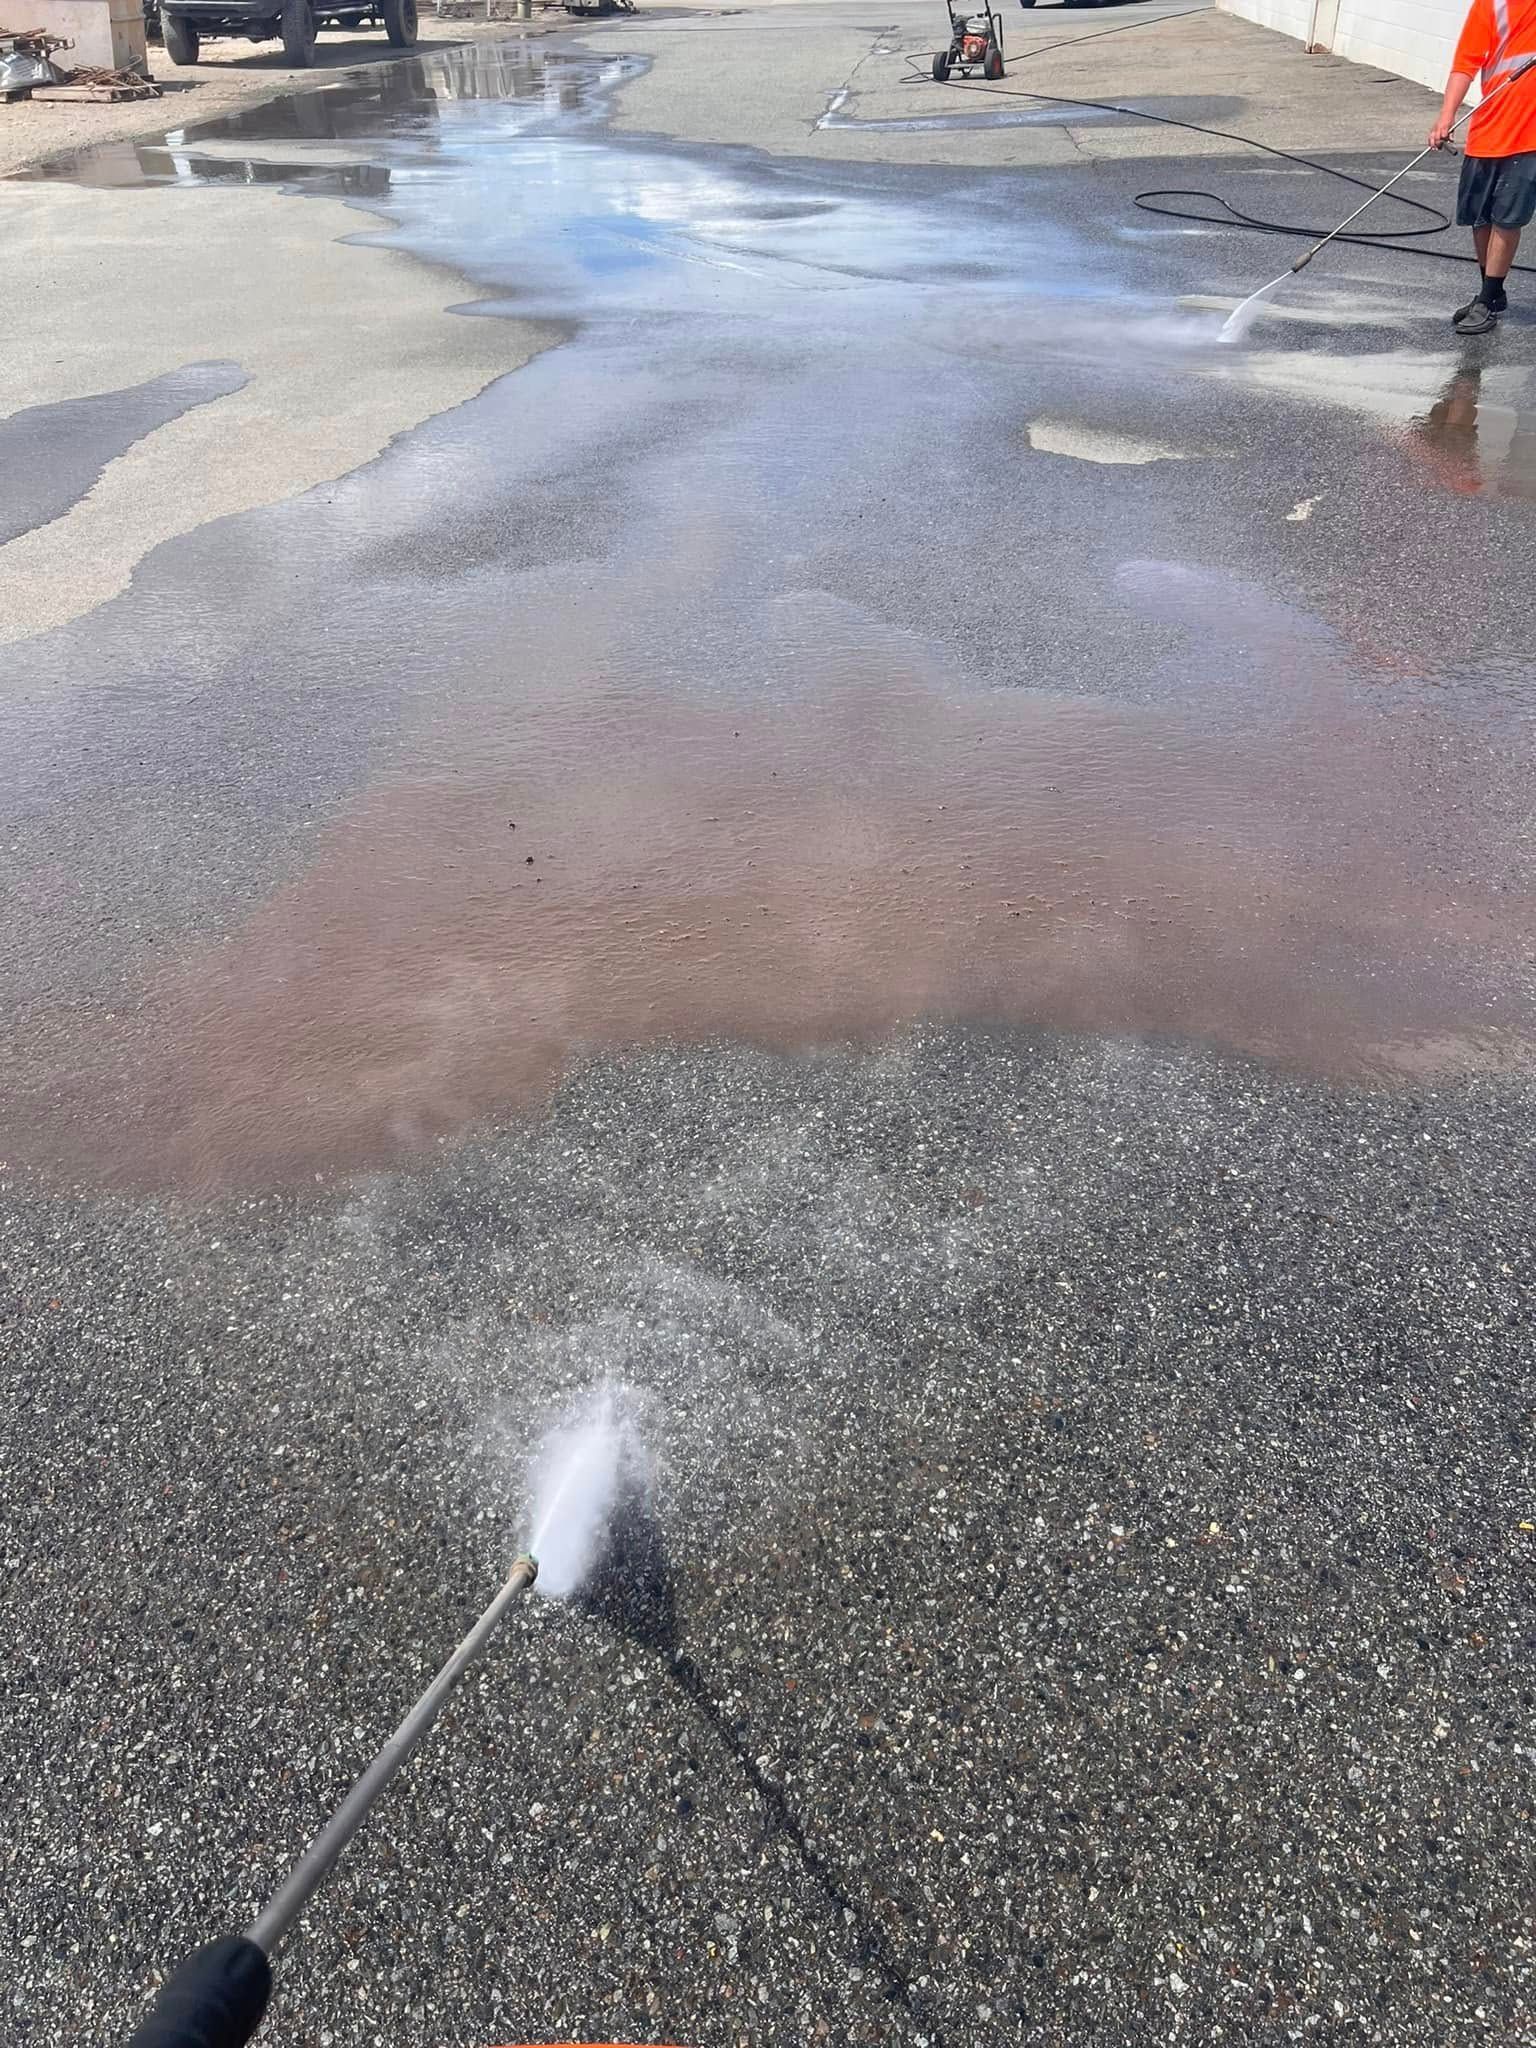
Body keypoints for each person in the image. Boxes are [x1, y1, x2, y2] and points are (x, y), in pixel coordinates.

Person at [1430, 1, 1536, 333]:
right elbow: (1465, 63)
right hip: (1489, 125)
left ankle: (1488, 298)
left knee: (1507, 216)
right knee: (1479, 216)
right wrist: (1446, 118)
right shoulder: (1491, 5)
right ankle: (1490, 290)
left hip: (1529, 132)